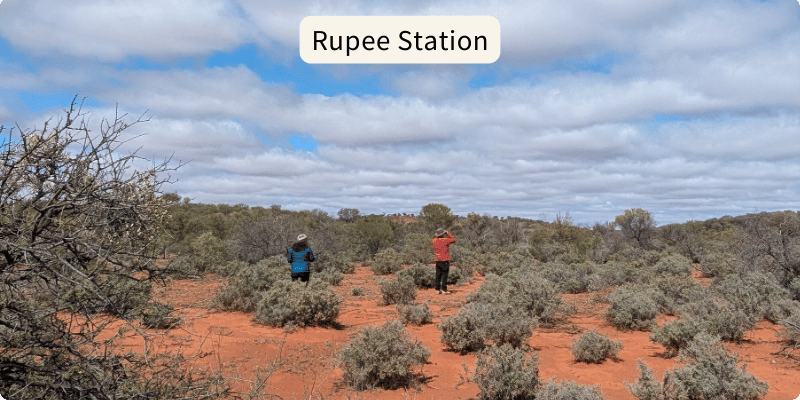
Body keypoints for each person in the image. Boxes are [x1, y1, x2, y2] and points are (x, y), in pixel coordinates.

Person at [431, 228, 456, 294]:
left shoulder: (434, 241)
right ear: (443, 234)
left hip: (437, 260)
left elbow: (433, 239)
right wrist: (448, 233)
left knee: (438, 274)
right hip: (445, 260)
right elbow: (453, 239)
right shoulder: (446, 240)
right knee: (444, 275)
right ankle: (444, 289)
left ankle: (437, 289)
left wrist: (438, 235)